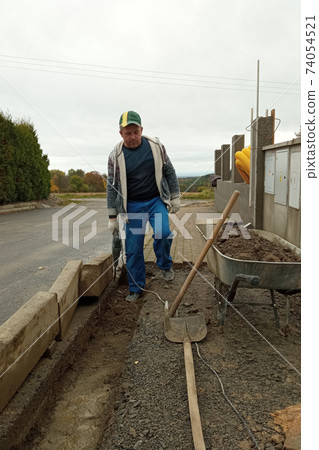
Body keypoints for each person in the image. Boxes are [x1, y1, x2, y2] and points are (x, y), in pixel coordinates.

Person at [107, 111, 180, 302]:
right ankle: (136, 287)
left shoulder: (156, 147)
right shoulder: (116, 155)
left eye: (135, 132)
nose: (132, 137)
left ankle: (164, 265)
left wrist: (175, 196)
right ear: (121, 133)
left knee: (163, 233)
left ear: (141, 130)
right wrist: (112, 216)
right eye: (127, 133)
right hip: (132, 206)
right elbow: (112, 185)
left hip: (156, 201)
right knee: (133, 248)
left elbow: (169, 171)